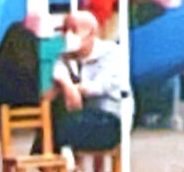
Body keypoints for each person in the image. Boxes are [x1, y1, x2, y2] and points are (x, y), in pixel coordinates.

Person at [50, 11, 130, 155]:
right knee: (53, 116)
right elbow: (58, 71)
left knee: (56, 128)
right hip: (83, 115)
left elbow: (100, 86)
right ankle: (53, 167)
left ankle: (53, 167)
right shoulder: (67, 56)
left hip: (110, 119)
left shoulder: (111, 53)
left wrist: (76, 89)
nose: (68, 35)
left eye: (74, 30)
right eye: (65, 30)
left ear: (92, 33)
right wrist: (67, 85)